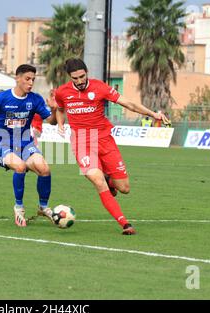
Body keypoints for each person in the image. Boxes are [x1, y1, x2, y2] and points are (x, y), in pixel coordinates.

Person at [49, 58, 169, 235]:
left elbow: (128, 103)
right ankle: (125, 224)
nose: (80, 81)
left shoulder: (100, 87)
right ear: (70, 77)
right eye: (75, 78)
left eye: (82, 76)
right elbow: (60, 109)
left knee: (124, 188)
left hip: (104, 139)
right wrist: (60, 124)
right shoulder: (62, 92)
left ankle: (108, 178)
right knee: (98, 181)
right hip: (81, 141)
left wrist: (153, 114)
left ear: (87, 72)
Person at [0, 64, 57, 227]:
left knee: (44, 168)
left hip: (25, 143)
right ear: (17, 78)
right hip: (1, 144)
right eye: (27, 79)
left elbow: (51, 121)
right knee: (20, 166)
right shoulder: (1, 98)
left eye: (33, 79)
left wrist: (55, 110)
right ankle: (19, 208)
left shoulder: (35, 99)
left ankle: (43, 207)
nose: (31, 83)